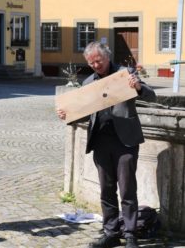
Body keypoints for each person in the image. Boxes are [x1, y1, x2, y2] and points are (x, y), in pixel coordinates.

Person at [56, 42, 156, 248]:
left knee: (127, 189)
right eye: (91, 62)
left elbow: (151, 95)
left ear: (107, 57)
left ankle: (130, 234)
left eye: (98, 61)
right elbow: (81, 115)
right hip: (101, 141)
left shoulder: (124, 73)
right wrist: (67, 115)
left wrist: (137, 86)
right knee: (106, 190)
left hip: (125, 141)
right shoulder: (89, 82)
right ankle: (111, 232)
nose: (95, 65)